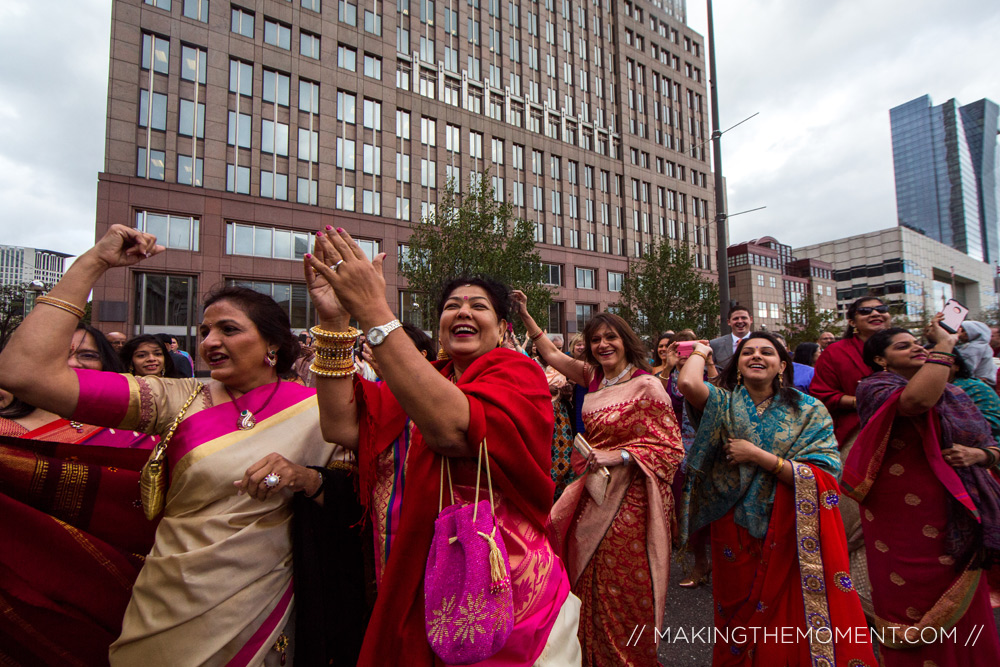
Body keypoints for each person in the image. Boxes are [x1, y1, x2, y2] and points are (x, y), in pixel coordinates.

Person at [0, 224, 339, 665]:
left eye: (229, 329)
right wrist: (93, 263)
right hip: (168, 597)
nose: (211, 341)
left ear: (272, 342)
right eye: (206, 330)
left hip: (259, 604)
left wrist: (305, 477)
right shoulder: (175, 398)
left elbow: (359, 499)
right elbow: (23, 373)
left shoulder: (316, 409)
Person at [303, 227, 578, 666]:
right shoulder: (432, 376)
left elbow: (451, 430)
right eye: (452, 306)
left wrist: (374, 310)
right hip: (424, 571)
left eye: (478, 306)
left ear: (504, 328)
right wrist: (335, 321)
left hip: (500, 578)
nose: (462, 312)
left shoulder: (517, 372)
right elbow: (341, 424)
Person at [677, 333, 876, 665]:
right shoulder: (723, 402)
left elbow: (826, 475)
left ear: (782, 365)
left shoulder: (809, 410)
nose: (757, 356)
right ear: (737, 366)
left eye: (767, 352)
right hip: (734, 530)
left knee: (788, 618)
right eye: (747, 352)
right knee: (736, 617)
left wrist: (757, 456)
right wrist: (700, 349)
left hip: (790, 528)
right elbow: (687, 383)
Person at [515, 294, 683, 664]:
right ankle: (588, 654)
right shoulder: (593, 378)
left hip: (633, 502)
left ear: (626, 341)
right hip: (593, 492)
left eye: (611, 337)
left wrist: (621, 455)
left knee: (621, 583)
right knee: (584, 572)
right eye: (596, 340)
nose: (603, 345)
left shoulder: (646, 386)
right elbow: (553, 355)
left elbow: (670, 449)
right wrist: (526, 316)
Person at [0, 323, 157, 665]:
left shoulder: (138, 436)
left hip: (127, 592)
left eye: (88, 355)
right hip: (22, 600)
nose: (72, 364)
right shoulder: (4, 433)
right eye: (57, 353)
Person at [845, 322, 1000, 665]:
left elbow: (990, 443)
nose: (916, 348)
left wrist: (980, 456)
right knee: (907, 600)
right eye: (903, 346)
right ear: (881, 360)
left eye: (918, 343)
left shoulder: (958, 393)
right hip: (900, 518)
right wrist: (944, 344)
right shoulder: (875, 387)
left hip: (956, 509)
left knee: (962, 604)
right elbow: (916, 400)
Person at [808, 295, 892, 611]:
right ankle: (842, 586)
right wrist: (865, 400)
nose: (875, 314)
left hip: (902, 440)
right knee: (847, 514)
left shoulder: (906, 348)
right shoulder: (836, 353)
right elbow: (821, 394)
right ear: (852, 320)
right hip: (855, 438)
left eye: (881, 309)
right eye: (865, 311)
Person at [709, 305, 753, 373]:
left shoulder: (761, 342)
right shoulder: (715, 344)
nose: (740, 321)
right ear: (729, 322)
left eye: (744, 318)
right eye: (736, 318)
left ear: (751, 320)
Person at [956, 320, 996, 386]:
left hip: (975, 382)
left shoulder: (974, 347)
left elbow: (967, 368)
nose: (960, 334)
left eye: (962, 331)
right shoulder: (984, 346)